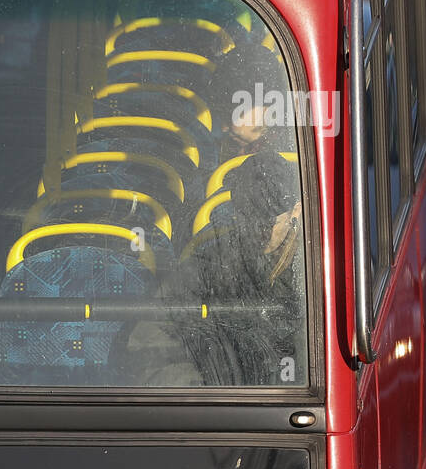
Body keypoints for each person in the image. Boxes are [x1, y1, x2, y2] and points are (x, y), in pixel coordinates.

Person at [118, 149, 305, 386]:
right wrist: (194, 395)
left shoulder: (313, 269)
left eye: (269, 221)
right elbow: (154, 332)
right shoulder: (210, 263)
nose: (259, 230)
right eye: (248, 216)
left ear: (295, 211)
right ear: (236, 212)